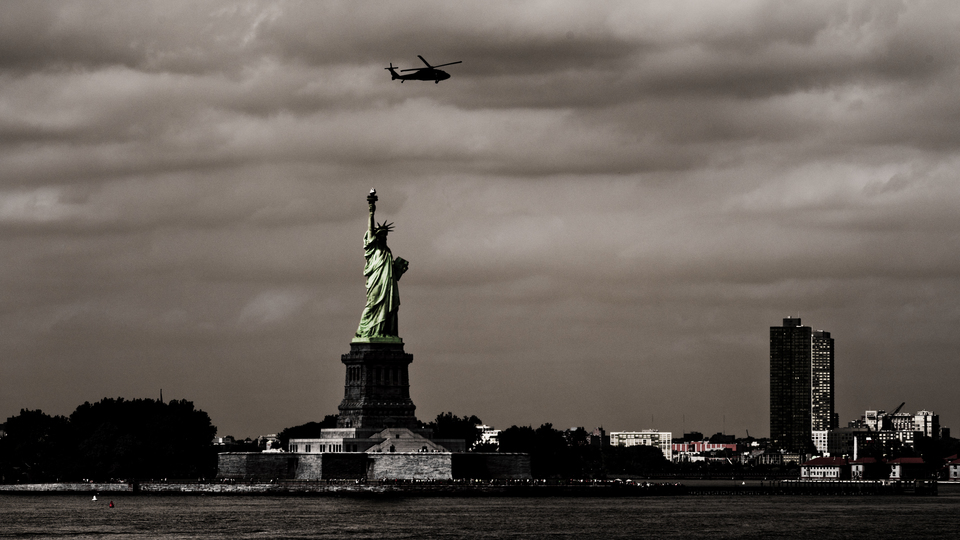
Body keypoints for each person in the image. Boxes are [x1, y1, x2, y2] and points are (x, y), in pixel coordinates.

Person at [355, 191, 407, 340]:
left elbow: (392, 274)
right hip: (376, 283)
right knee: (372, 306)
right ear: (377, 237)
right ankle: (364, 331)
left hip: (388, 285)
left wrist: (399, 269)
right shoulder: (373, 249)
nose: (384, 237)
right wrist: (371, 211)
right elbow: (370, 230)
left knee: (389, 309)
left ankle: (385, 332)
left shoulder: (387, 251)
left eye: (386, 235)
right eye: (381, 235)